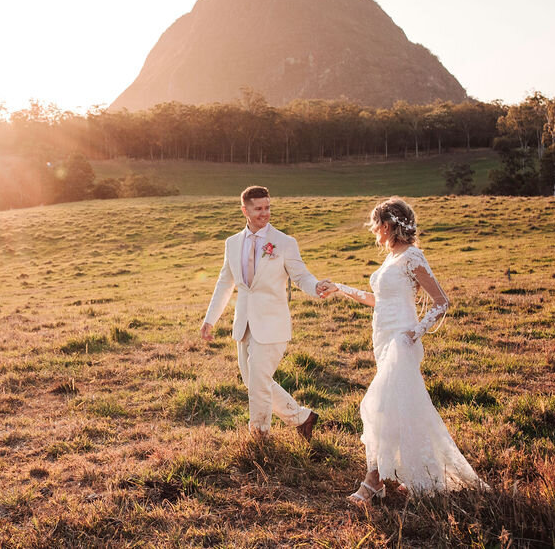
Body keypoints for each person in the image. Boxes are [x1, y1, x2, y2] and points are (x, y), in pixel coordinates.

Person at [321, 197, 484, 505]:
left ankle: (373, 481)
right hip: (382, 339)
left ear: (387, 226)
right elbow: (377, 300)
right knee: (404, 409)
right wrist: (340, 288)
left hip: (401, 341)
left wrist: (415, 332)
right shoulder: (391, 257)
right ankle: (419, 473)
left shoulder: (412, 256)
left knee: (377, 406)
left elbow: (442, 301)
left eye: (375, 225)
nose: (373, 231)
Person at [200, 186, 334, 440]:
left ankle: (260, 437)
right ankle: (302, 418)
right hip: (244, 324)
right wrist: (210, 319)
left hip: (272, 325)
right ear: (245, 210)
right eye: (258, 209)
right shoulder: (232, 244)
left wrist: (316, 287)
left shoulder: (284, 243)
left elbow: (301, 275)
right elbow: (224, 284)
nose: (265, 213)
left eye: (268, 207)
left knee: (259, 382)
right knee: (253, 381)